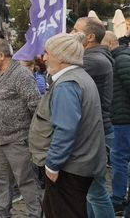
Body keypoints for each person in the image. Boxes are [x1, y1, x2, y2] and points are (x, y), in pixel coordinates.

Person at [29, 33, 107, 218]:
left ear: (61, 56)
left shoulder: (67, 84)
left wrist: (52, 165)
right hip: (77, 164)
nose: (44, 57)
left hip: (69, 168)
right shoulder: (79, 77)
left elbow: (65, 129)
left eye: (48, 52)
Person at [0, 38, 41, 218]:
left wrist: (31, 136)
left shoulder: (21, 75)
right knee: (1, 181)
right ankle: (1, 213)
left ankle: (36, 214)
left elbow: (36, 105)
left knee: (26, 181)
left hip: (17, 140)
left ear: (1, 55)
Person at [72, 17, 115, 217]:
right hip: (93, 128)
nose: (71, 34)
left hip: (95, 130)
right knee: (89, 191)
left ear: (89, 37)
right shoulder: (92, 57)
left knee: (96, 192)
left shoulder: (92, 60)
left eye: (75, 30)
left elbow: (61, 75)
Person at [101, 31, 130, 214]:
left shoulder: (122, 60)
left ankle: (119, 199)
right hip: (120, 118)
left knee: (119, 159)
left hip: (123, 119)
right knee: (118, 158)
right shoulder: (118, 59)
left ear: (110, 43)